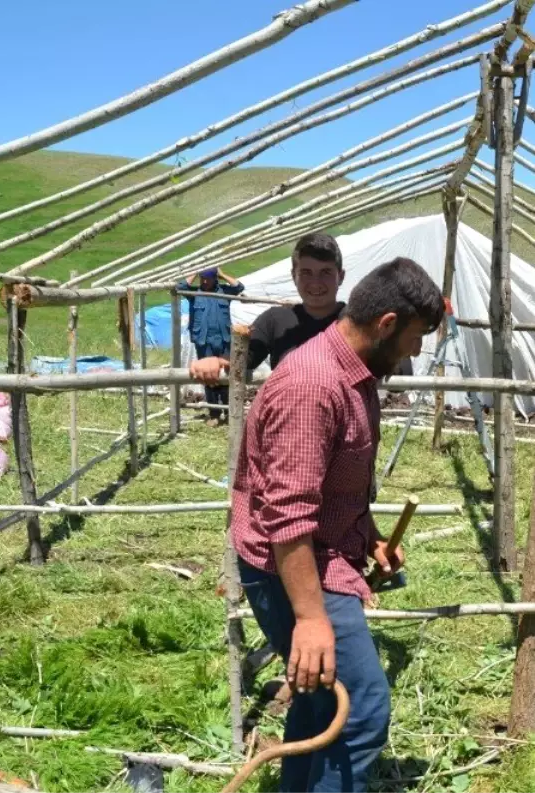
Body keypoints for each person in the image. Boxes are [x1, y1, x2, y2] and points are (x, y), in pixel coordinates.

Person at [230, 257, 444, 793]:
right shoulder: (312, 387)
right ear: (387, 324)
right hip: (294, 569)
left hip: (318, 556)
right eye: (416, 338)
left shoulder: (355, 375)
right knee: (362, 707)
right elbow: (288, 518)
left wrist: (368, 536)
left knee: (321, 698)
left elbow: (336, 482)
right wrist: (310, 619)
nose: (416, 352)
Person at [188, 232, 414, 386]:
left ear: (341, 277)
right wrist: (215, 362)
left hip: (348, 437)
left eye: (325, 272)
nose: (315, 282)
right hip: (292, 430)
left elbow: (401, 373)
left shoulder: (358, 320)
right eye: (306, 272)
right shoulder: (275, 320)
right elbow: (241, 360)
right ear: (293, 277)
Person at [179, 267, 243, 424]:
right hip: (204, 341)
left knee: (226, 375)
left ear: (215, 278)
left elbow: (239, 287)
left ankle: (229, 413)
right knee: (208, 376)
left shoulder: (224, 292)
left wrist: (222, 273)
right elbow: (180, 287)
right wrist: (195, 270)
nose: (205, 281)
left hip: (223, 339)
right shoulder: (195, 294)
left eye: (208, 278)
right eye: (202, 278)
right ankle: (214, 413)